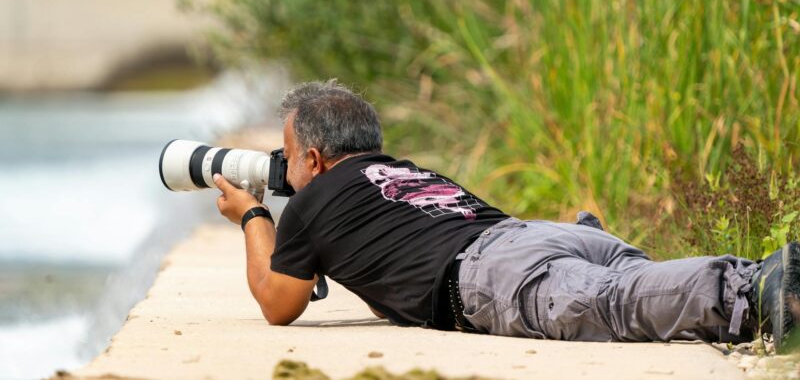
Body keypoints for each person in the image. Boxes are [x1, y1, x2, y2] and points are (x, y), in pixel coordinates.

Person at [213, 80, 800, 353]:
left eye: (287, 157)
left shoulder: (313, 201)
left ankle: (761, 284)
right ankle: (618, 257)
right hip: (534, 235)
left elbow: (277, 303)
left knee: (618, 304)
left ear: (314, 159)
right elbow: (386, 274)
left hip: (492, 270)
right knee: (624, 285)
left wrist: (254, 215)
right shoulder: (400, 172)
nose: (283, 169)